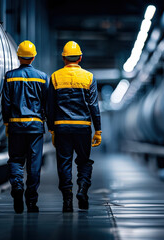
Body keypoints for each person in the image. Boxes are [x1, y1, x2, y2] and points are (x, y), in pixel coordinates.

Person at [47, 41, 102, 212]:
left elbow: (50, 106)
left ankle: (67, 199)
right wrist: (98, 129)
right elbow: (94, 106)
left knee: (64, 163)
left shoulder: (55, 77)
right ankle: (83, 190)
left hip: (62, 127)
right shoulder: (89, 77)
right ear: (80, 58)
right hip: (83, 127)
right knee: (84, 162)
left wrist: (51, 129)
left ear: (63, 58)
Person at [1, 40, 49, 213]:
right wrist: (48, 124)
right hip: (35, 128)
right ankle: (31, 201)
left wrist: (7, 122)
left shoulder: (10, 76)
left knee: (16, 160)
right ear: (34, 56)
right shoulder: (43, 78)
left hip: (15, 126)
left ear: (18, 55)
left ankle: (17, 187)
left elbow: (6, 103)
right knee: (34, 165)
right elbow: (47, 104)